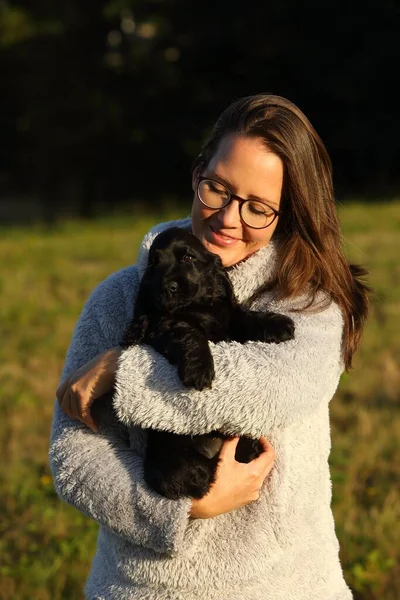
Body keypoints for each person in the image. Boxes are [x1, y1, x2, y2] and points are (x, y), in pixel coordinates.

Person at [51, 93, 370, 600]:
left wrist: (123, 368)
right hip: (141, 587)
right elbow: (74, 455)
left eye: (258, 207)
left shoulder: (308, 302)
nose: (228, 217)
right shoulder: (117, 299)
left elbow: (270, 387)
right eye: (217, 188)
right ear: (197, 174)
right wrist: (175, 510)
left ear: (288, 213)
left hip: (283, 585)